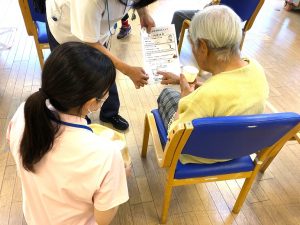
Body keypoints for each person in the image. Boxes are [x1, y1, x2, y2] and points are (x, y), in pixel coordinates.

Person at [6, 42, 129, 225]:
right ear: (90, 104)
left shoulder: (24, 113)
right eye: (104, 97)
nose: (105, 100)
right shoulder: (106, 155)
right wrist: (120, 176)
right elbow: (103, 219)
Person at [157, 5, 269, 164]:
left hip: (202, 155)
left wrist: (185, 98)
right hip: (238, 148)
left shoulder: (201, 98)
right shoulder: (257, 69)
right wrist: (199, 86)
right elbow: (229, 94)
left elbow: (174, 137)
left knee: (167, 95)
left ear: (203, 47)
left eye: (192, 44)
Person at [45, 0, 157, 131]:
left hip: (95, 30)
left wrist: (144, 13)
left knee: (105, 71)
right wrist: (127, 70)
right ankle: (80, 120)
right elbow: (90, 42)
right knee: (75, 81)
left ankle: (109, 113)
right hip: (66, 26)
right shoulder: (89, 2)